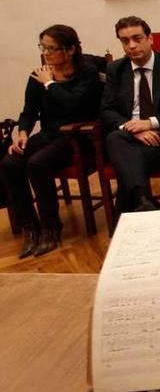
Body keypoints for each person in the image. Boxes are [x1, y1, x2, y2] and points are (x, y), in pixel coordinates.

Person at [0, 25, 102, 257]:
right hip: (48, 135)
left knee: (37, 164)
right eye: (43, 47)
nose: (46, 53)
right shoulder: (39, 75)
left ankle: (50, 228)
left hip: (76, 137)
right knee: (10, 163)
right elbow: (28, 112)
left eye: (51, 48)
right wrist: (23, 133)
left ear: (70, 49)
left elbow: (74, 104)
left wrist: (50, 84)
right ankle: (30, 227)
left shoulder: (87, 73)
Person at [101, 16, 160, 224]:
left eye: (137, 38)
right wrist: (134, 129)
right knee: (116, 139)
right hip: (129, 140)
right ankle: (144, 201)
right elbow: (107, 110)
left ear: (150, 39)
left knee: (122, 156)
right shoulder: (116, 70)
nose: (131, 46)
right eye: (125, 41)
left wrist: (151, 123)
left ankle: (137, 208)